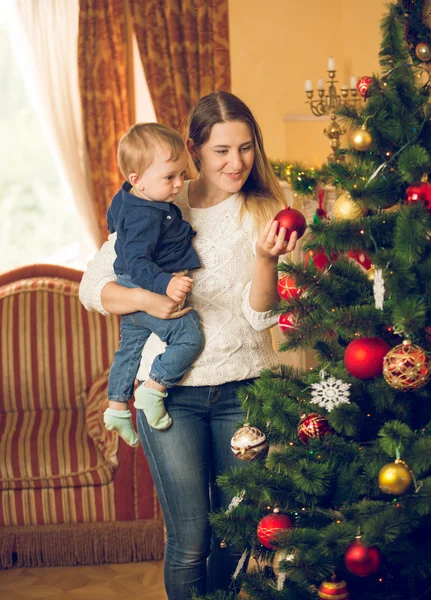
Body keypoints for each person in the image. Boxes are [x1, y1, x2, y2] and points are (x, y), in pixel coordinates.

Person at [79, 91, 298, 600]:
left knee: (237, 535)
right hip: (169, 394)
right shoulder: (159, 198)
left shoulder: (266, 210)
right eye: (222, 150)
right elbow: (93, 286)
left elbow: (260, 316)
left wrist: (266, 261)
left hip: (245, 390)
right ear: (193, 147)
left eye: (246, 148)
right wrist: (147, 301)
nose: (236, 162)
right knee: (190, 541)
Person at [104, 123, 203, 447]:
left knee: (129, 348)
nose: (179, 184)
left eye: (181, 173)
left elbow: (112, 218)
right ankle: (153, 389)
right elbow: (138, 262)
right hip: (142, 282)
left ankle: (117, 408)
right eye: (169, 177)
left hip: (128, 281)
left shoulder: (129, 197)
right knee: (189, 337)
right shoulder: (144, 217)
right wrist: (165, 284)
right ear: (138, 180)